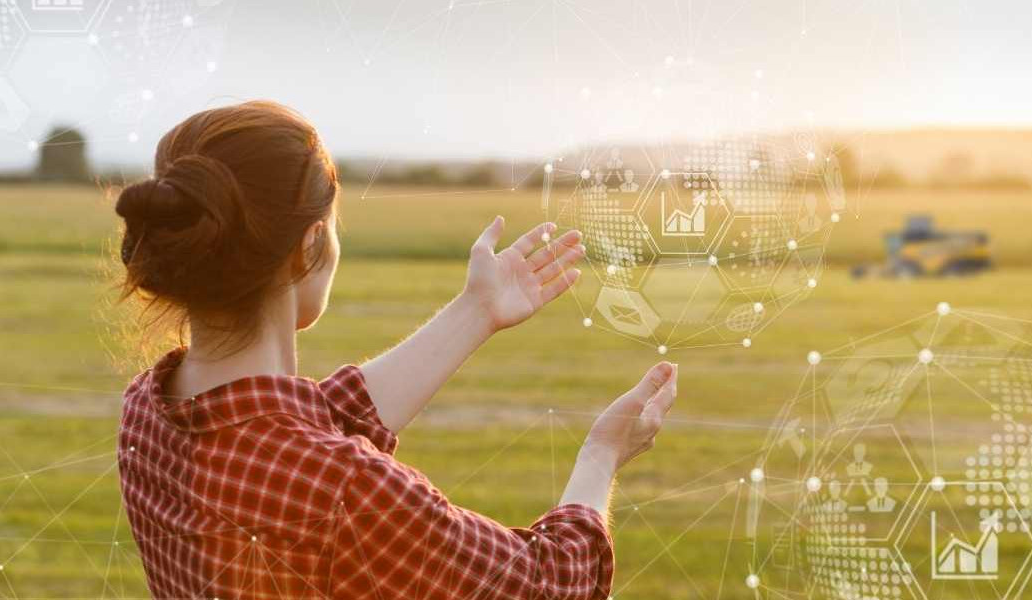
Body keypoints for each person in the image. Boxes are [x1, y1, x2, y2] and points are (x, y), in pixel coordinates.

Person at [114, 101, 679, 599]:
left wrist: (476, 310)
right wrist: (601, 454)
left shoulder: (146, 412)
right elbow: (550, 585)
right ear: (309, 248)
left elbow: (309, 425)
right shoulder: (338, 489)